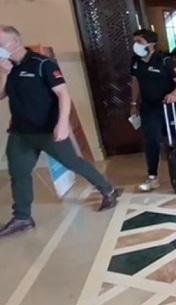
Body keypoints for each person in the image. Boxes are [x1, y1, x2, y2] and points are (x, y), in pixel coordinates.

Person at [0, 25, 119, 237]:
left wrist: (62, 123)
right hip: (20, 132)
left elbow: (63, 94)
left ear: (16, 41)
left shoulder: (42, 64)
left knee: (73, 163)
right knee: (18, 174)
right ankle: (22, 217)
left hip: (48, 129)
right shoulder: (5, 66)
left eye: (0, 44)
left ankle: (107, 190)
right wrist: (3, 74)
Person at [129, 29, 176, 192]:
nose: (136, 45)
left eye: (140, 42)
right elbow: (135, 81)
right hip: (149, 107)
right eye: (135, 42)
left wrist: (174, 94)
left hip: (168, 106)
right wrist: (134, 103)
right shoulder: (135, 62)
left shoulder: (165, 61)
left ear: (151, 44)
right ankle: (152, 177)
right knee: (151, 140)